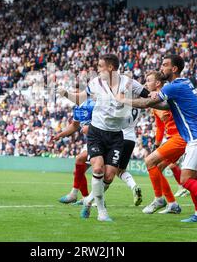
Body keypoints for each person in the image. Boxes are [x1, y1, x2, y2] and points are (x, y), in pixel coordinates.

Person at [117, 55, 197, 231]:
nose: (161, 68)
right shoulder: (184, 83)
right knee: (193, 178)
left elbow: (148, 102)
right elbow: (165, 106)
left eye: (165, 65)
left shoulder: (173, 86)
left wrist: (124, 100)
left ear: (174, 69)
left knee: (186, 180)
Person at [58, 54, 147, 222]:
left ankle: (88, 201)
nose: (97, 69)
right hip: (96, 132)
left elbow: (149, 95)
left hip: (116, 135)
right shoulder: (95, 83)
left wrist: (163, 102)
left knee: (109, 176)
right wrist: (66, 94)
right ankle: (101, 212)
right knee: (97, 168)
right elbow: (80, 99)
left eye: (100, 66)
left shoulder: (129, 83)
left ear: (111, 68)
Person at [55, 95, 143, 207]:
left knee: (93, 167)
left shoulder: (113, 101)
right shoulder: (137, 102)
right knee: (117, 172)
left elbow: (104, 120)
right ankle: (132, 186)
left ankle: (89, 198)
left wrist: (90, 128)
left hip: (114, 137)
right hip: (130, 138)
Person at [140, 71, 185, 215]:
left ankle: (159, 199)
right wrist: (157, 144)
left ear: (158, 83)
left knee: (149, 162)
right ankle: (172, 204)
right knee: (157, 167)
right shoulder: (155, 104)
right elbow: (160, 126)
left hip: (180, 138)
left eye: (149, 80)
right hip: (172, 138)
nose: (146, 83)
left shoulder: (167, 97)